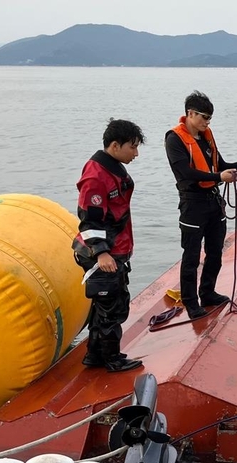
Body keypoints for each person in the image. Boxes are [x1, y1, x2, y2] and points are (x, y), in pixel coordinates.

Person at [165, 90, 237, 320]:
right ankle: (190, 301)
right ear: (190, 113)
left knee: (215, 250)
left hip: (213, 202)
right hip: (192, 203)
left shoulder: (206, 136)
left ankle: (207, 292)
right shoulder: (174, 139)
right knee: (191, 255)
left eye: (210, 119)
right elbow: (185, 172)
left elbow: (220, 164)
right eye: (204, 117)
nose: (207, 122)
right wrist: (219, 177)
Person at [72, 119, 145, 372]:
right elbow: (89, 219)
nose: (136, 153)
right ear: (115, 145)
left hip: (115, 247)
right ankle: (112, 359)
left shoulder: (113, 167)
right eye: (132, 147)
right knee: (112, 308)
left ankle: (94, 355)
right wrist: (101, 253)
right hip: (102, 252)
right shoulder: (96, 176)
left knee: (104, 306)